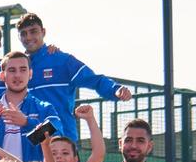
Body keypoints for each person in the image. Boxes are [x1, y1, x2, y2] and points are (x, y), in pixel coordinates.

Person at [13, 12, 132, 140]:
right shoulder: (16, 67)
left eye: (33, 31)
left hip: (62, 140)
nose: (29, 37)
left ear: (43, 32)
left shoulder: (62, 60)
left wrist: (115, 90)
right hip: (29, 142)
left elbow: (94, 80)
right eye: (23, 33)